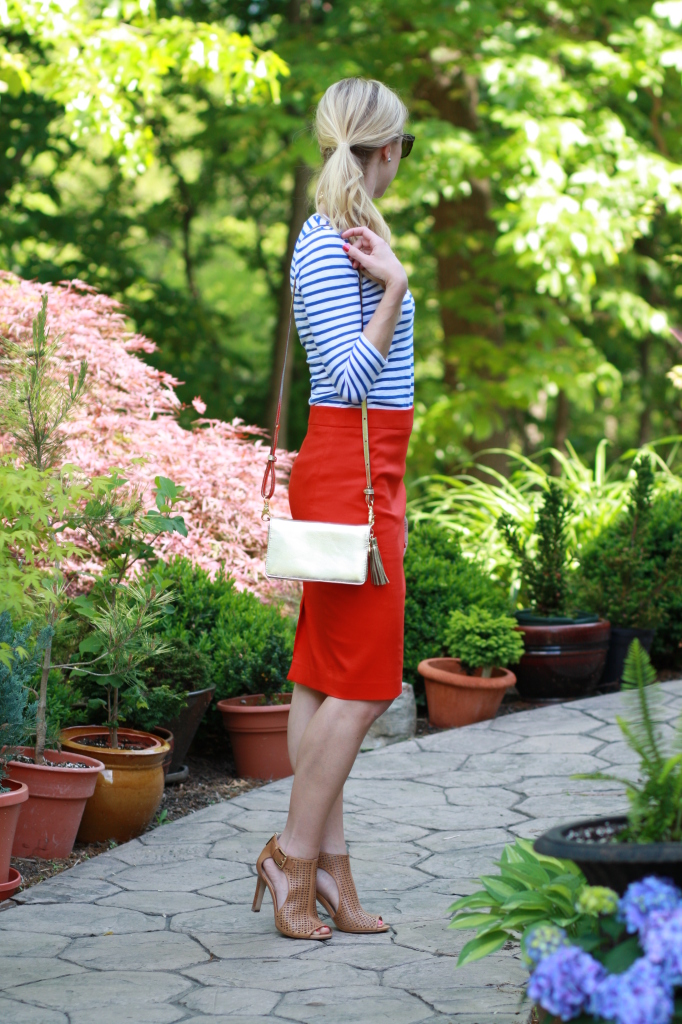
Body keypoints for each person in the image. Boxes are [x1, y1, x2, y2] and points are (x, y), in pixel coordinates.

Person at [252, 77, 415, 940]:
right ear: (382, 150)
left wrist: (388, 278)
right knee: (370, 686)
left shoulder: (349, 235)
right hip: (352, 473)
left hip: (366, 472)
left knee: (322, 676)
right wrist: (393, 289)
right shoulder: (328, 245)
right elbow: (346, 382)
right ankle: (291, 856)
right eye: (402, 149)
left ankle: (330, 875)